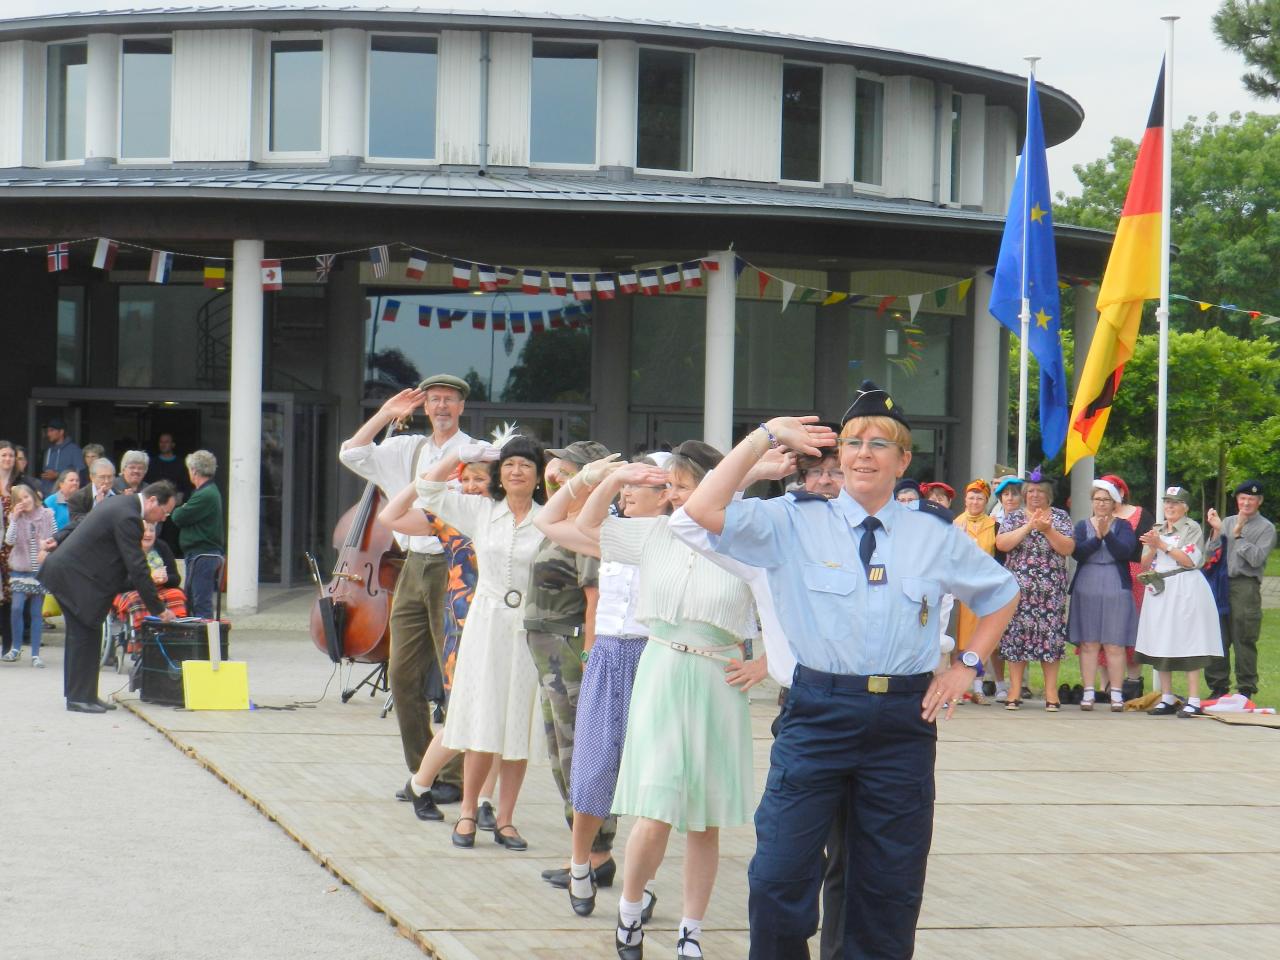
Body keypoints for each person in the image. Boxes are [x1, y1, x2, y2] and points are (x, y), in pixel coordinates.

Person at [682, 381, 1019, 960]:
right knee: (778, 874)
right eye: (853, 442)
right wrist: (764, 435)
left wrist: (965, 665)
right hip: (817, 713)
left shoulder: (933, 533)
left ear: (903, 460)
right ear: (837, 456)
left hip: (902, 722)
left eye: (880, 444)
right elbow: (700, 510)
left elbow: (1001, 593)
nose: (864, 452)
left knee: (886, 887)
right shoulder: (791, 520)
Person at [672, 446, 864, 960]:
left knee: (864, 865)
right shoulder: (776, 541)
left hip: (881, 716)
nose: (826, 482)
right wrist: (753, 468)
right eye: (815, 473)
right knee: (786, 862)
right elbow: (690, 526)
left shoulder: (883, 538)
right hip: (809, 709)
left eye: (835, 473)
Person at [575, 439, 758, 960]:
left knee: (704, 817)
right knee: (654, 806)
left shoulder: (743, 540)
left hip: (720, 679)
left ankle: (690, 930)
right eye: (670, 486)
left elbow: (786, 604)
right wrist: (608, 481)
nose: (675, 495)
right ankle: (629, 914)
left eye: (684, 485)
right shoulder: (655, 534)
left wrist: (765, 663)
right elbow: (589, 527)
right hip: (661, 667)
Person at [532, 453, 671, 916]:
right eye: (625, 485)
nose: (627, 492)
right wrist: (599, 479)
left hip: (657, 657)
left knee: (653, 782)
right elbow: (547, 520)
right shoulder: (609, 535)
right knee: (592, 771)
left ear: (666, 494)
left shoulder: (680, 537)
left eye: (637, 484)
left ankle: (641, 883)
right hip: (609, 656)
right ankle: (579, 866)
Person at [339, 376, 474, 803]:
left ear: (461, 407)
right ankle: (423, 770)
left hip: (456, 565)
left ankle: (453, 776)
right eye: (434, 400)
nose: (441, 407)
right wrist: (384, 414)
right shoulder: (406, 448)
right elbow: (353, 452)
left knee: (456, 674)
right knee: (401, 673)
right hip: (412, 565)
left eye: (449, 400)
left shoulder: (475, 452)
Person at [411, 432, 546, 851]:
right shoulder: (481, 511)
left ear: (538, 474)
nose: (516, 470)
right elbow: (428, 490)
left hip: (527, 627)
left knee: (517, 724)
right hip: (486, 624)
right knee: (483, 718)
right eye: (508, 464)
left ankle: (505, 819)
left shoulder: (548, 517)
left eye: (525, 464)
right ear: (498, 474)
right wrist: (457, 455)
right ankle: (468, 812)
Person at [377, 460, 498, 825]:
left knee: (499, 717)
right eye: (468, 479)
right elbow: (391, 516)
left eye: (481, 478)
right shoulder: (451, 516)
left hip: (504, 623)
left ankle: (484, 802)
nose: (473, 485)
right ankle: (423, 781)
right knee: (465, 711)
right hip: (463, 623)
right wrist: (430, 477)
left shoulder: (511, 516)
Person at [520, 441, 614, 867]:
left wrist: (592, 659)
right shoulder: (564, 521)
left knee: (580, 754)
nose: (556, 472)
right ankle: (584, 852)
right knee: (561, 757)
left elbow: (594, 599)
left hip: (571, 653)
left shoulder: (590, 530)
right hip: (549, 656)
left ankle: (597, 854)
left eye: (568, 469)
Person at [39, 481, 179, 712]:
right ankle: (78, 698)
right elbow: (137, 565)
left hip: (77, 577)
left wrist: (59, 537)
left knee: (89, 633)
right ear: (153, 501)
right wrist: (158, 608)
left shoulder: (121, 504)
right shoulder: (129, 516)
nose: (164, 517)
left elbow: (84, 522)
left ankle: (85, 695)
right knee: (83, 635)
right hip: (74, 577)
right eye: (165, 511)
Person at [1135, 487, 1222, 717]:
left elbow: (1189, 560)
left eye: (1175, 503)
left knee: (1188, 638)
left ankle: (1193, 698)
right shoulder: (1156, 529)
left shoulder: (1191, 528)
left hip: (1184, 586)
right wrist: (1153, 547)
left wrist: (1163, 545)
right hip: (1160, 587)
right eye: (1167, 503)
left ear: (1185, 507)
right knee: (1161, 638)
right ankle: (1166, 696)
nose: (1170, 507)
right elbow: (1144, 563)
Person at [995, 470, 1073, 710]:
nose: (1034, 496)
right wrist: (1029, 526)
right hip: (1019, 588)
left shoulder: (1059, 517)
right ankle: (1015, 690)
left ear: (1049, 495)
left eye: (1040, 492)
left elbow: (1068, 548)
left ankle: (1051, 692)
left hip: (1050, 591)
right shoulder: (1014, 517)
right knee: (1017, 636)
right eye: (1030, 492)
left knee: (1050, 637)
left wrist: (1048, 530)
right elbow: (1002, 544)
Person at [1067, 479, 1138, 712]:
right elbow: (1078, 553)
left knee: (1114, 643)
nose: (1101, 504)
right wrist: (1097, 537)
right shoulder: (1081, 525)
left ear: (1114, 502)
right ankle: (1088, 692)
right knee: (1089, 642)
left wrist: (1107, 534)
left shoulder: (1123, 526)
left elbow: (1125, 552)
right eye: (1097, 499)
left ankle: (1115, 692)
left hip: (1115, 585)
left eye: (1106, 500)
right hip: (1087, 584)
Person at [1203, 479, 1276, 700]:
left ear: (1259, 501)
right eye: (1242, 498)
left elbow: (1256, 559)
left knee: (1244, 637)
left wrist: (1238, 535)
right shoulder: (1228, 521)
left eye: (1251, 499)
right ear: (1237, 500)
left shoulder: (1266, 528)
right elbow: (1210, 554)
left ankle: (1245, 689)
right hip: (1222, 583)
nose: (1246, 503)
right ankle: (1218, 686)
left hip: (1245, 585)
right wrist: (1217, 532)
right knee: (1218, 636)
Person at [1098, 473, 1153, 701]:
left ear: (1121, 492)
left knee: (1131, 627)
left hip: (1132, 571)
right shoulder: (1099, 515)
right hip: (1103, 573)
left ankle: (1133, 681)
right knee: (1103, 628)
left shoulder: (1140, 514)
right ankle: (1105, 685)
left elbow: (1144, 547)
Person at [953, 479, 1000, 704]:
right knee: (959, 638)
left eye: (980, 497)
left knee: (981, 638)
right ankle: (959, 687)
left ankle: (978, 688)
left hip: (985, 588)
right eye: (971, 497)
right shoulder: (955, 524)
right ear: (965, 499)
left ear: (986, 500)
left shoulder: (994, 524)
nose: (975, 501)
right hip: (961, 588)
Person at [2, 485, 56, 667]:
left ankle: (35, 654)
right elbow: (9, 541)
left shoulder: (48, 514)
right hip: (20, 569)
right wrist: (15, 519)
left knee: (36, 612)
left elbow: (56, 538)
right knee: (16, 608)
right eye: (19, 500)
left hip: (39, 570)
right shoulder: (16, 518)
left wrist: (46, 546)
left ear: (33, 495)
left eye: (26, 497)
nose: (24, 501)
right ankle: (15, 648)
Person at [168, 450, 224, 619]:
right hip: (201, 554)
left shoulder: (205, 495)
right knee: (193, 600)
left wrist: (182, 508)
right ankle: (202, 641)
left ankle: (206, 643)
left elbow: (178, 516)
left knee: (200, 602)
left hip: (202, 554)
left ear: (194, 471)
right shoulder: (207, 492)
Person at [111, 521, 188, 631]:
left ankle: (175, 634)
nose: (148, 534)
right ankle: (141, 635)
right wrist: (147, 579)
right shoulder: (126, 549)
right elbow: (119, 583)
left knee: (177, 595)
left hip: (159, 589)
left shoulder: (162, 547)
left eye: (151, 530)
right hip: (131, 589)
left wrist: (166, 579)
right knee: (135, 601)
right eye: (144, 530)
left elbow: (175, 578)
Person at [39, 418, 84, 497]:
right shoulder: (48, 450)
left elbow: (80, 473)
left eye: (52, 430)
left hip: (66, 496)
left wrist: (58, 475)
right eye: (48, 431)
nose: (48, 434)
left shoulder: (74, 450)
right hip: (47, 497)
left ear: (61, 432)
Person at [67, 458, 119, 523]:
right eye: (102, 477)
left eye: (110, 477)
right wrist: (98, 507)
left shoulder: (119, 495)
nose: (107, 481)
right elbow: (77, 526)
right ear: (92, 477)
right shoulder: (77, 498)